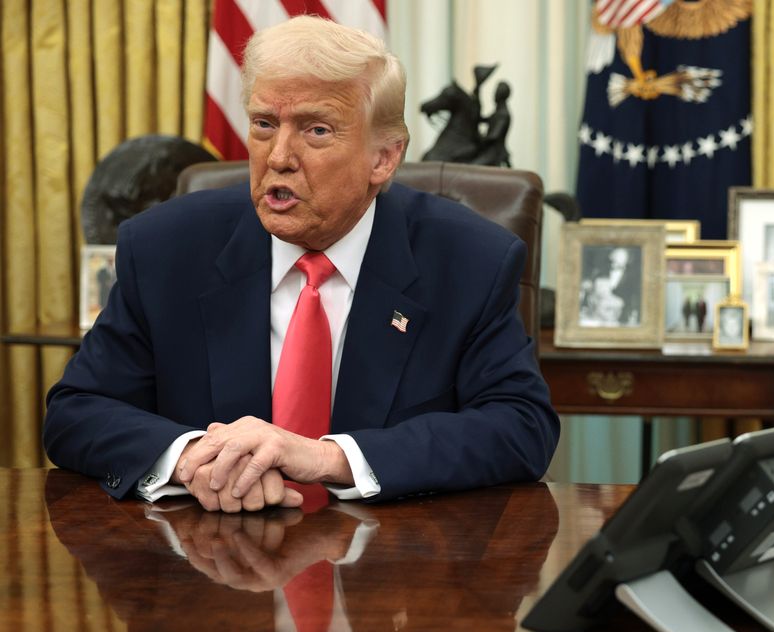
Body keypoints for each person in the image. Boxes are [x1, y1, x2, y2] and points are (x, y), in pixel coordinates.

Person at [43, 16, 559, 512]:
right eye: (264, 124)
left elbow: (520, 426)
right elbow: (76, 412)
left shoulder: (470, 260)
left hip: (391, 578)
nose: (279, 157)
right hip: (208, 572)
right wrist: (193, 459)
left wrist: (327, 458)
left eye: (316, 130)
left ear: (384, 158)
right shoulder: (166, 248)